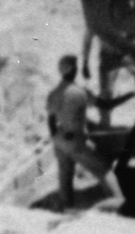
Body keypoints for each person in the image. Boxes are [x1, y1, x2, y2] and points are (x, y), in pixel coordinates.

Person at [46, 54, 109, 209]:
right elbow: (105, 105)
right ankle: (118, 203)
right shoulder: (80, 92)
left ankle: (67, 208)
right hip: (75, 140)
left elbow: (51, 120)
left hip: (60, 139)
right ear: (74, 70)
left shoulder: (54, 93)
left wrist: (56, 137)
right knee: (104, 170)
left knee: (65, 176)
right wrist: (129, 96)